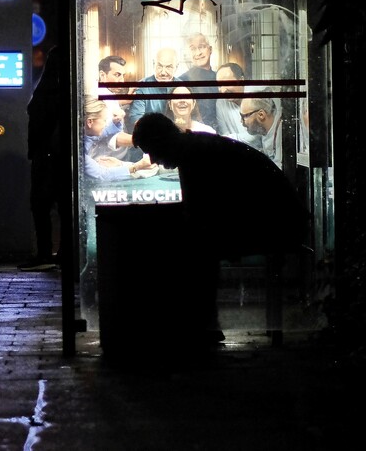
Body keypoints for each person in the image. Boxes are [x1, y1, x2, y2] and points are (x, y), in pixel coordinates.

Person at [131, 112, 308, 345]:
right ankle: (204, 324)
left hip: (276, 224)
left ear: (161, 141)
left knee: (196, 250)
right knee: (197, 245)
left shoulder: (194, 156)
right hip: (279, 218)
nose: (152, 160)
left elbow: (198, 215)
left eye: (151, 150)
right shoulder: (197, 147)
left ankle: (202, 326)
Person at [20, 45, 74, 271]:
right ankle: (65, 251)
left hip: (46, 156)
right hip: (66, 156)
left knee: (41, 206)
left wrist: (34, 151)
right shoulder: (71, 89)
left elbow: (37, 123)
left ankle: (44, 252)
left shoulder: (45, 89)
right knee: (65, 207)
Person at [84, 98, 151, 182]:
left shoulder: (86, 135)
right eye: (104, 121)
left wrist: (116, 122)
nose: (106, 124)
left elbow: (105, 132)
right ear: (89, 122)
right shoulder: (79, 153)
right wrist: (137, 166)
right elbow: (103, 175)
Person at [124, 47, 179, 132]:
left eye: (169, 67)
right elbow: (136, 121)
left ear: (176, 67)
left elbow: (188, 119)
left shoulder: (183, 87)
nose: (163, 72)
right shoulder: (141, 87)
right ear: (154, 64)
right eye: (160, 66)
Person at [214, 62, 262, 147]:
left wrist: (230, 139)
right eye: (219, 85)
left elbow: (257, 135)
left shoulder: (257, 96)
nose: (223, 90)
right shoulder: (220, 102)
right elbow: (224, 133)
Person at [178, 32, 218, 129]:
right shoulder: (182, 81)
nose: (198, 53)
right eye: (193, 49)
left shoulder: (219, 77)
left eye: (202, 47)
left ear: (210, 49)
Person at [239, 92, 283, 169]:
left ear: (261, 115)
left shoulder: (282, 135)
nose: (241, 121)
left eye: (244, 116)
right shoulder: (263, 131)